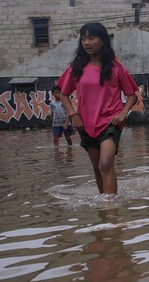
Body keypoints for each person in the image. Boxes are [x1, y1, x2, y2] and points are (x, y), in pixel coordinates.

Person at [57, 22, 139, 195]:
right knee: (97, 168)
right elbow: (63, 94)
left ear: (102, 41)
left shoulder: (116, 69)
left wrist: (123, 114)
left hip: (110, 122)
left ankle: (111, 211)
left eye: (91, 38)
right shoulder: (75, 69)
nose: (86, 42)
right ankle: (104, 205)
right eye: (83, 38)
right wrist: (73, 115)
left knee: (105, 164)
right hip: (85, 124)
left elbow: (132, 95)